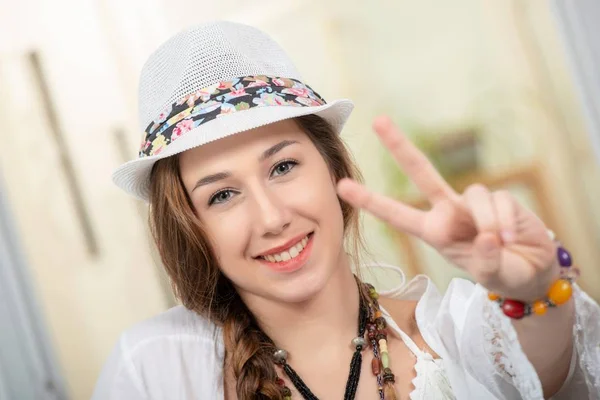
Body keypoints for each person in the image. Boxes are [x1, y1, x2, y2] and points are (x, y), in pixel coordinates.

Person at [92, 21, 600, 400]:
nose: (271, 219)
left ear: (335, 170)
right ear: (191, 228)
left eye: (283, 166)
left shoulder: (450, 336)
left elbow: (544, 370)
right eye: (221, 195)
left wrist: (536, 294)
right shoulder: (155, 368)